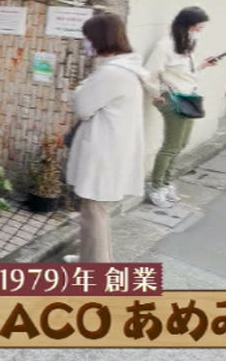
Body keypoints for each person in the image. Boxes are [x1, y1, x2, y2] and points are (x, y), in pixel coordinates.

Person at [64, 13, 152, 263]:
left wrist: (80, 88)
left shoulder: (112, 73)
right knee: (92, 211)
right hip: (111, 146)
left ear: (100, 39)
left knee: (93, 212)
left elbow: (83, 106)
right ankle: (88, 259)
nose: (85, 43)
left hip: (103, 150)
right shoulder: (126, 68)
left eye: (87, 38)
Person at [145, 6, 222, 208]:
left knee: (181, 144)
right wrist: (157, 95)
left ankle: (166, 183)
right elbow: (148, 74)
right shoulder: (165, 46)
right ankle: (155, 186)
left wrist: (203, 65)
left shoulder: (186, 45)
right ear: (187, 25)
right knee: (171, 146)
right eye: (198, 27)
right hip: (172, 99)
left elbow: (186, 75)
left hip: (188, 98)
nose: (200, 31)